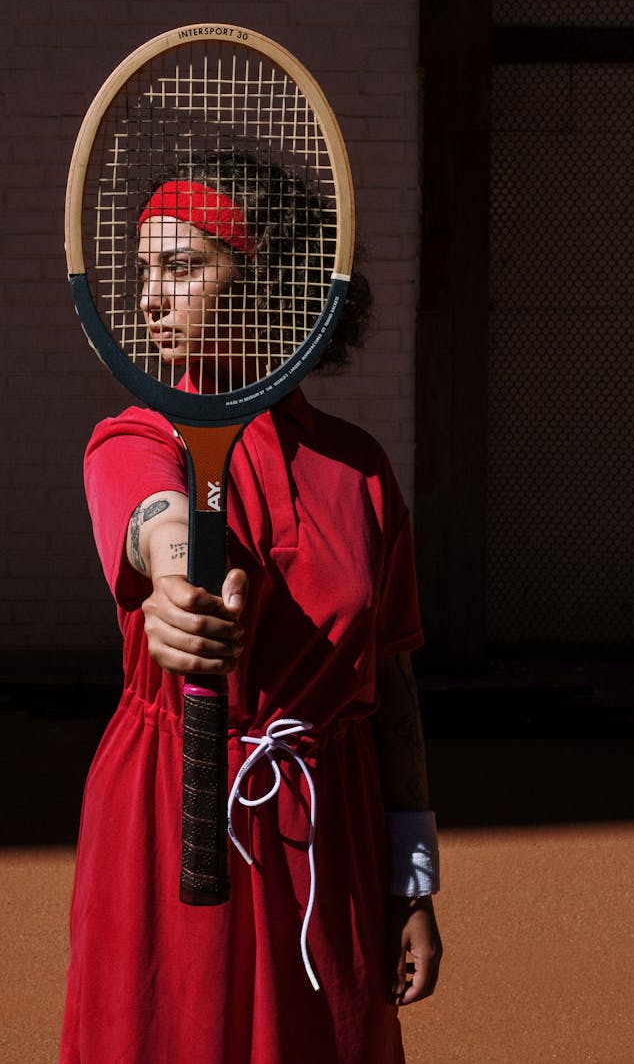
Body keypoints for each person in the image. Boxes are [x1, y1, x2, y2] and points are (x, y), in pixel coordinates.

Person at [59, 152, 442, 1064]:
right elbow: (152, 521)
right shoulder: (133, 437)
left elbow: (391, 683)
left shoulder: (358, 468)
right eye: (143, 270)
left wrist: (413, 878)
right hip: (165, 813)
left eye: (182, 266)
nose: (151, 298)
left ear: (274, 276)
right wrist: (177, 592)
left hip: (326, 826)